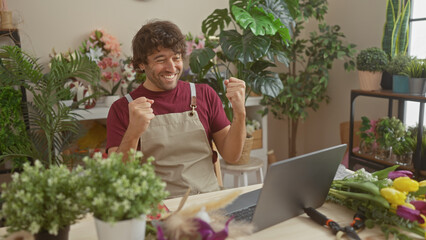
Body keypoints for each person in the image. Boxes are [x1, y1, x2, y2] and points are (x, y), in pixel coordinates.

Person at [106, 20, 246, 198]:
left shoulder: (204, 95)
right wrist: (133, 132)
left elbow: (232, 156)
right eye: (160, 60)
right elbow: (118, 177)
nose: (171, 67)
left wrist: (240, 113)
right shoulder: (122, 108)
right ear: (141, 64)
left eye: (176, 58)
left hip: (209, 202)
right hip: (157, 210)